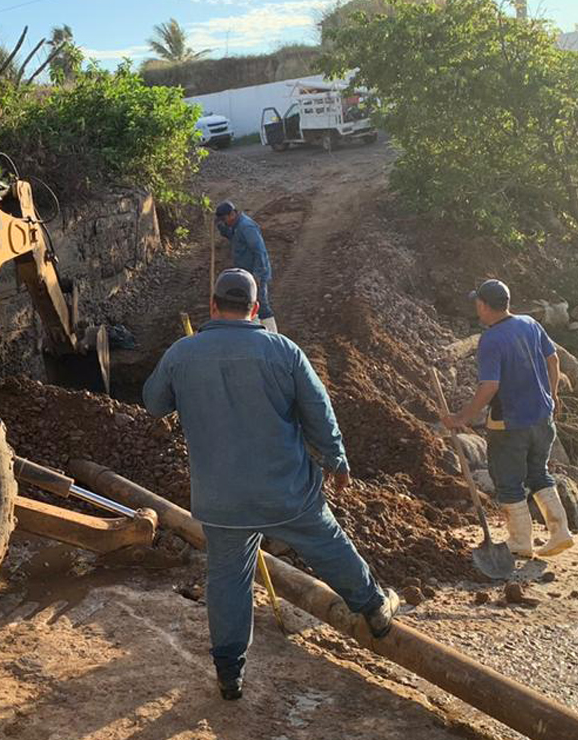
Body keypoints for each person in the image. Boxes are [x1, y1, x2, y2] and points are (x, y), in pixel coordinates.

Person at [143, 268, 399, 701]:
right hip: (287, 491)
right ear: (255, 309)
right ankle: (374, 609)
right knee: (327, 543)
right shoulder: (283, 351)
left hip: (221, 499)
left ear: (213, 306)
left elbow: (154, 403)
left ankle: (230, 675)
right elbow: (318, 412)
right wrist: (336, 460)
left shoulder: (182, 353)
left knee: (228, 578)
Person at [440, 279, 574, 559]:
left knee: (508, 480)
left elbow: (490, 386)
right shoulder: (529, 323)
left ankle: (520, 541)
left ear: (483, 305)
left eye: (477, 303)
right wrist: (551, 396)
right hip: (542, 417)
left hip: (510, 423)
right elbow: (553, 361)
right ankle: (560, 531)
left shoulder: (491, 340)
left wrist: (461, 417)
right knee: (538, 473)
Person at [214, 200, 276, 332]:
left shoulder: (246, 227)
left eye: (224, 219)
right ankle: (256, 334)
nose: (224, 222)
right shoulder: (236, 226)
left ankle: (273, 335)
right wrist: (221, 227)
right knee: (249, 304)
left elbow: (259, 251)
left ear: (232, 214)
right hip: (246, 273)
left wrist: (257, 275)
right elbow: (232, 236)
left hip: (256, 273)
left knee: (262, 305)